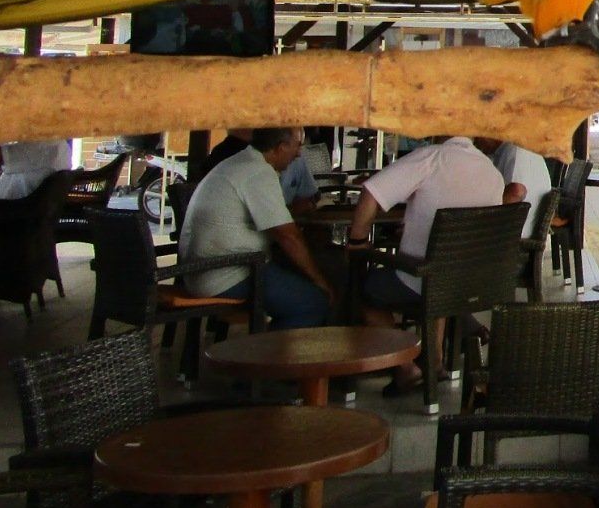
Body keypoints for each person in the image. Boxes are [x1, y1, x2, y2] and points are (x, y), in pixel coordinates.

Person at [347, 134, 504, 395]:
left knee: (362, 289)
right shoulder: (492, 173)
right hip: (468, 284)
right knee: (437, 281)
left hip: (424, 278)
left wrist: (358, 242)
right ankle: (434, 360)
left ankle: (406, 367)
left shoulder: (431, 158)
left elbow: (370, 192)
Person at [178, 125, 333, 329]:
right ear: (280, 147)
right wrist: (321, 282)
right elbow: (289, 237)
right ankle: (272, 358)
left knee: (308, 271)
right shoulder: (258, 172)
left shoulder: (243, 162)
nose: (299, 154)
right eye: (297, 146)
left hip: (206, 270)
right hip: (225, 275)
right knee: (312, 302)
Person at [473, 137, 551, 238]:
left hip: (515, 235)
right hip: (527, 229)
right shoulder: (520, 148)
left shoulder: (514, 152)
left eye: (477, 138)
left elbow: (516, 192)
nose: (476, 144)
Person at [0, 140, 68, 200]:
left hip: (15, 207)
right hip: (11, 204)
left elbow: (1, 156)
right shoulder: (60, 145)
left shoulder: (48, 143)